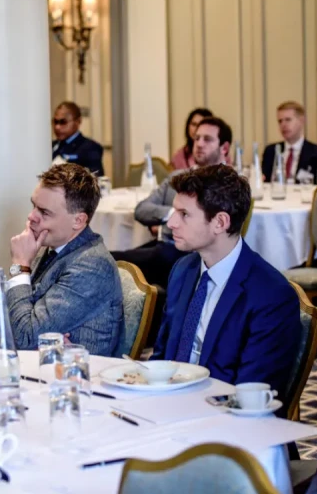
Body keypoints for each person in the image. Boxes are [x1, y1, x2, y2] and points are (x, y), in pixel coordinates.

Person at [152, 164, 300, 398]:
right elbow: (161, 358)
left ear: (220, 222)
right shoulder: (183, 270)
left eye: (184, 214)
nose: (171, 223)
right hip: (167, 404)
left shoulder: (271, 295)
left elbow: (251, 394)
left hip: (223, 413)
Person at [8, 163, 123, 356]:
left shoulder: (92, 266)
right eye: (34, 206)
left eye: (44, 212)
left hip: (75, 373)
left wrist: (20, 265)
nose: (31, 216)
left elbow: (24, 337)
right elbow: (5, 320)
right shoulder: (51, 247)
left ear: (78, 221)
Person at [112, 117, 233, 289]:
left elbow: (207, 229)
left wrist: (167, 225)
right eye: (197, 138)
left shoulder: (228, 183)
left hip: (193, 255)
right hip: (163, 246)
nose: (199, 144)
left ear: (224, 148)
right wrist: (172, 214)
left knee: (112, 261)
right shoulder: (177, 177)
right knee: (113, 259)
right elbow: (141, 210)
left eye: (207, 139)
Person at [262, 101, 317, 184]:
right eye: (280, 121)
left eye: (288, 120)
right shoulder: (270, 150)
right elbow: (265, 180)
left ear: (301, 120)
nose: (283, 125)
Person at [52, 102, 104, 177]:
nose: (57, 127)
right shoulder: (51, 146)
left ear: (78, 121)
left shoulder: (90, 148)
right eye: (55, 122)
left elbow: (95, 179)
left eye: (63, 122)